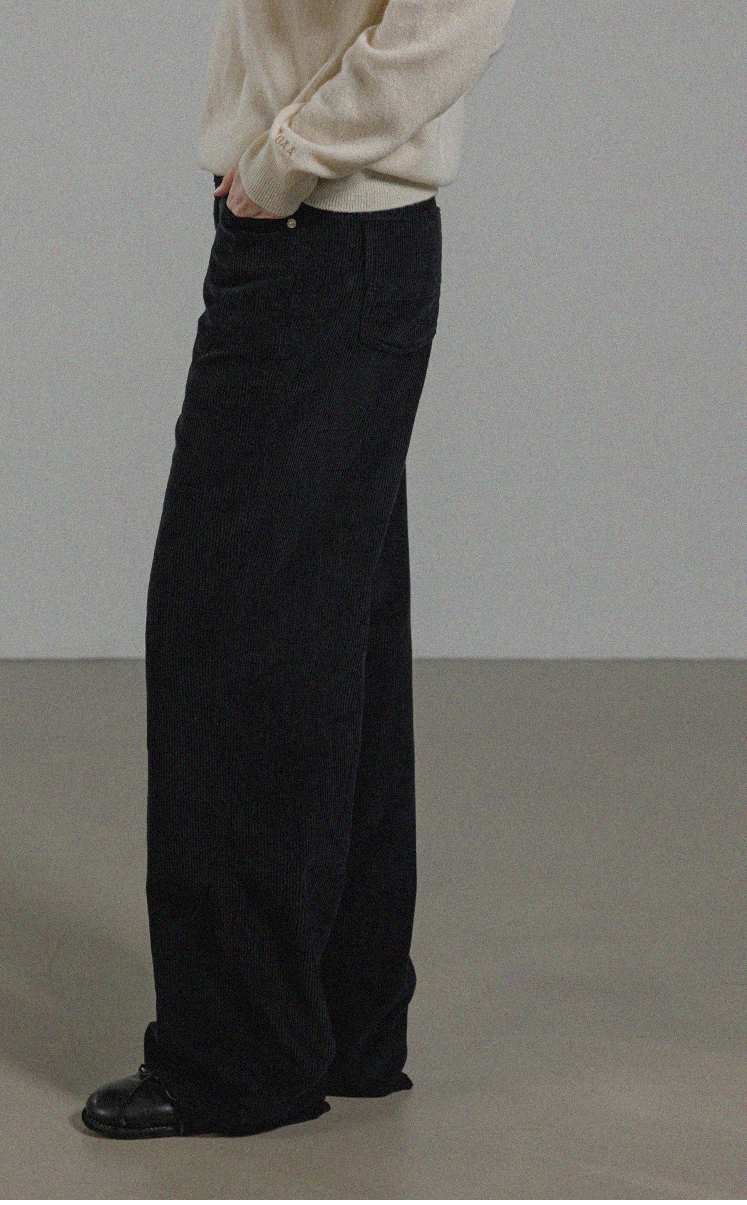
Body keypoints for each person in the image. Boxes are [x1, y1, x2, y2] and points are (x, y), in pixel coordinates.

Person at [82, 0, 516, 1139]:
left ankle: (238, 1058)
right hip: (334, 237)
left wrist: (286, 159)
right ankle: (340, 1021)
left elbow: (455, 18)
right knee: (334, 636)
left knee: (230, 643)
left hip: (321, 233)